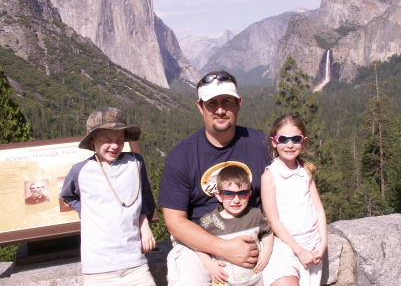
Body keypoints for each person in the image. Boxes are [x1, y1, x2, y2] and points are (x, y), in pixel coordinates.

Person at [158, 70, 271, 286]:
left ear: (239, 103)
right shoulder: (182, 156)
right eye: (212, 103)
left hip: (254, 233)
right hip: (197, 243)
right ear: (200, 107)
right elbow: (174, 222)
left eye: (226, 101)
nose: (220, 110)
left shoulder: (262, 145)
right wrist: (223, 248)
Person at [60, 107, 157, 286]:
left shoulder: (135, 162)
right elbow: (68, 195)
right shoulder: (80, 171)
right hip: (97, 267)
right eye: (107, 140)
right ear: (93, 140)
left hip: (134, 262)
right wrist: (86, 212)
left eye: (120, 139)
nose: (114, 145)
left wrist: (144, 226)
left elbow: (143, 196)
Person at [261, 113, 327, 286]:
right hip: (287, 247)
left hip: (313, 245)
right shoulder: (270, 176)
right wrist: (299, 251)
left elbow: (318, 209)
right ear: (274, 142)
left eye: (295, 139)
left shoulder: (305, 171)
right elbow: (273, 221)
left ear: (303, 142)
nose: (289, 145)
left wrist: (323, 243)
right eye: (283, 139)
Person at [196, 165, 274, 286]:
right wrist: (209, 263)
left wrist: (267, 251)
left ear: (249, 194)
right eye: (228, 193)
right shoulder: (209, 221)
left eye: (242, 193)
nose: (236, 200)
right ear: (218, 196)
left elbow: (267, 232)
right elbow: (197, 243)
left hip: (256, 280)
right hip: (224, 281)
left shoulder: (255, 215)